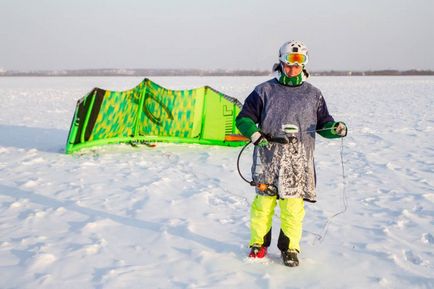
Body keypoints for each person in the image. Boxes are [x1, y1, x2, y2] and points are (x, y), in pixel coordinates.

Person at [235, 40, 347, 267]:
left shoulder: (313, 94)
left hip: (298, 162)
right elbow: (244, 118)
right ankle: (258, 244)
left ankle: (290, 249)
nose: (292, 68)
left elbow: (324, 124)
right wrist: (255, 135)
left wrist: (335, 130)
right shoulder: (264, 91)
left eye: (297, 64)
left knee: (293, 209)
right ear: (282, 62)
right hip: (268, 159)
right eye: (288, 63)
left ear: (303, 64)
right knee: (263, 206)